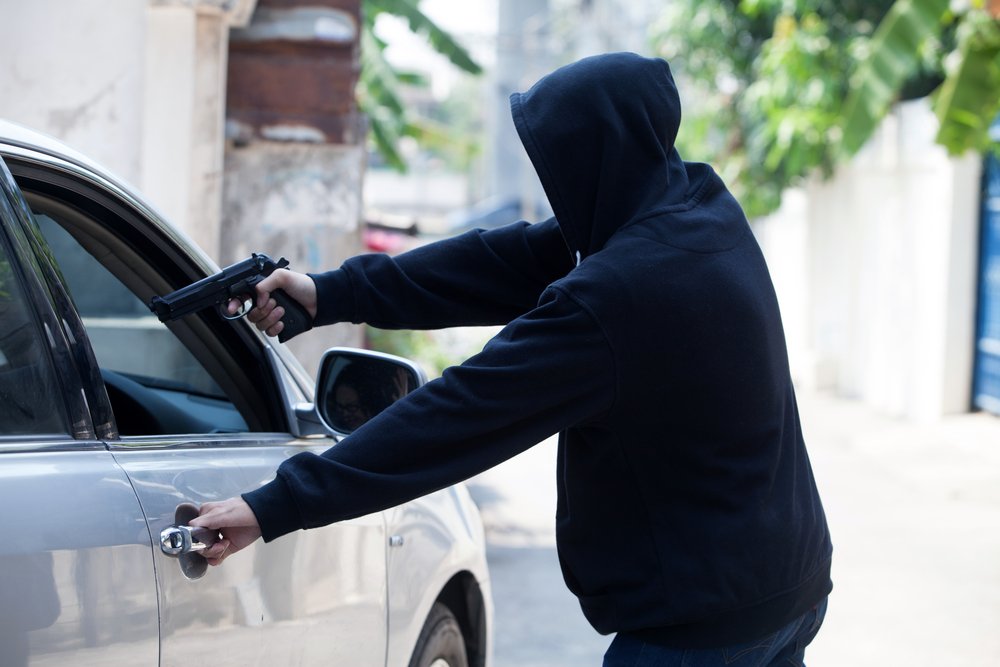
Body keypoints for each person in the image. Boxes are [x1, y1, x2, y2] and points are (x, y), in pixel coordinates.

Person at [192, 52, 832, 665]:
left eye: (563, 163)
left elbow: (461, 413)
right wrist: (331, 291)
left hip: (704, 629)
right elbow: (506, 261)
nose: (554, 186)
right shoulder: (696, 205)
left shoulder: (620, 296)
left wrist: (276, 505)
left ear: (599, 159)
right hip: (786, 586)